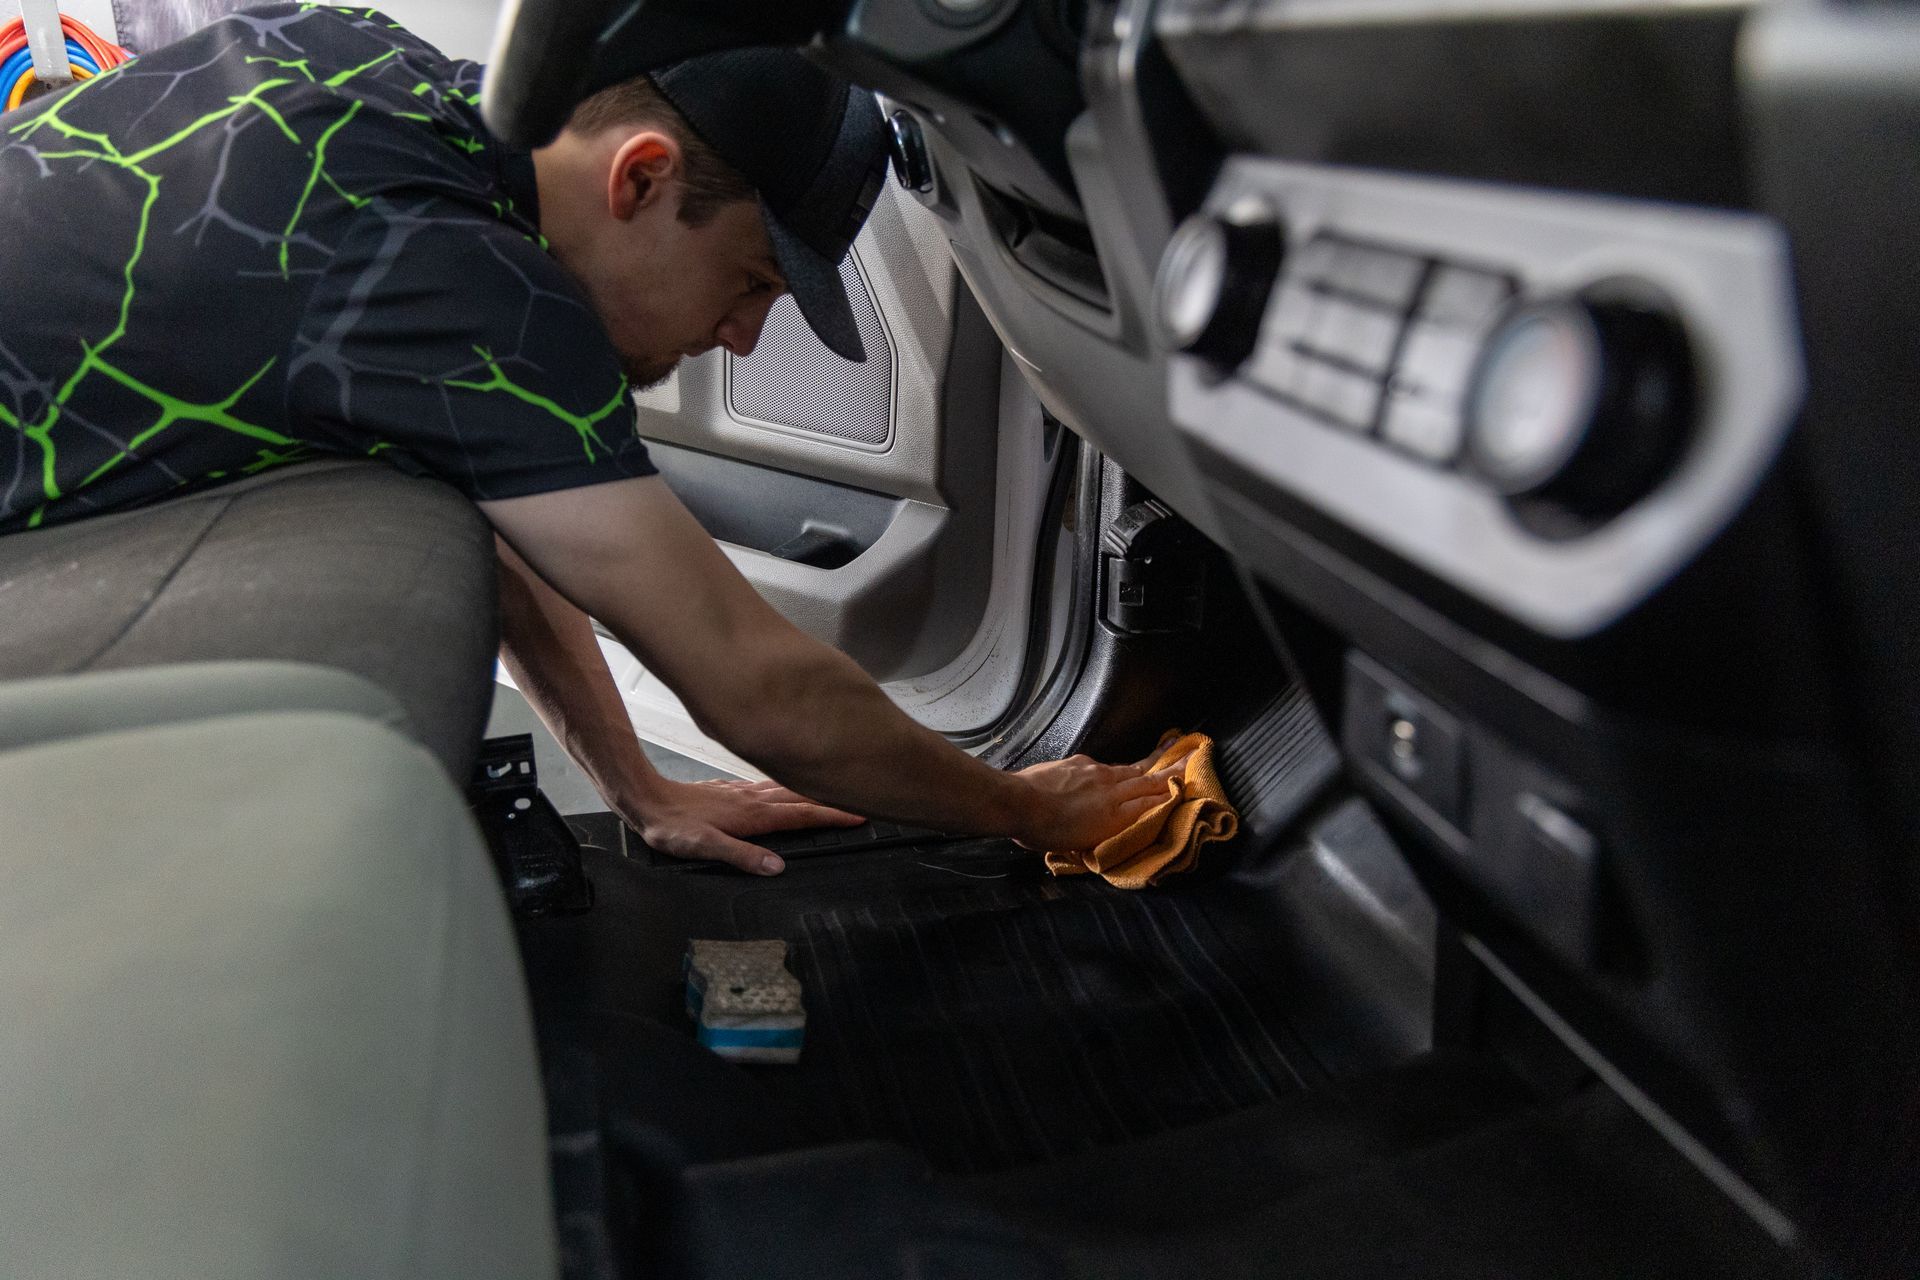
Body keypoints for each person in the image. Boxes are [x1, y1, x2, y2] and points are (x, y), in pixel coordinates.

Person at [0, 3, 1174, 873]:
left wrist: (641, 786)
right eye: (753, 281)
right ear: (643, 180)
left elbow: (500, 478)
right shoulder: (472, 285)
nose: (748, 339)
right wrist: (1037, 807)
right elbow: (761, 688)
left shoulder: (372, 61)